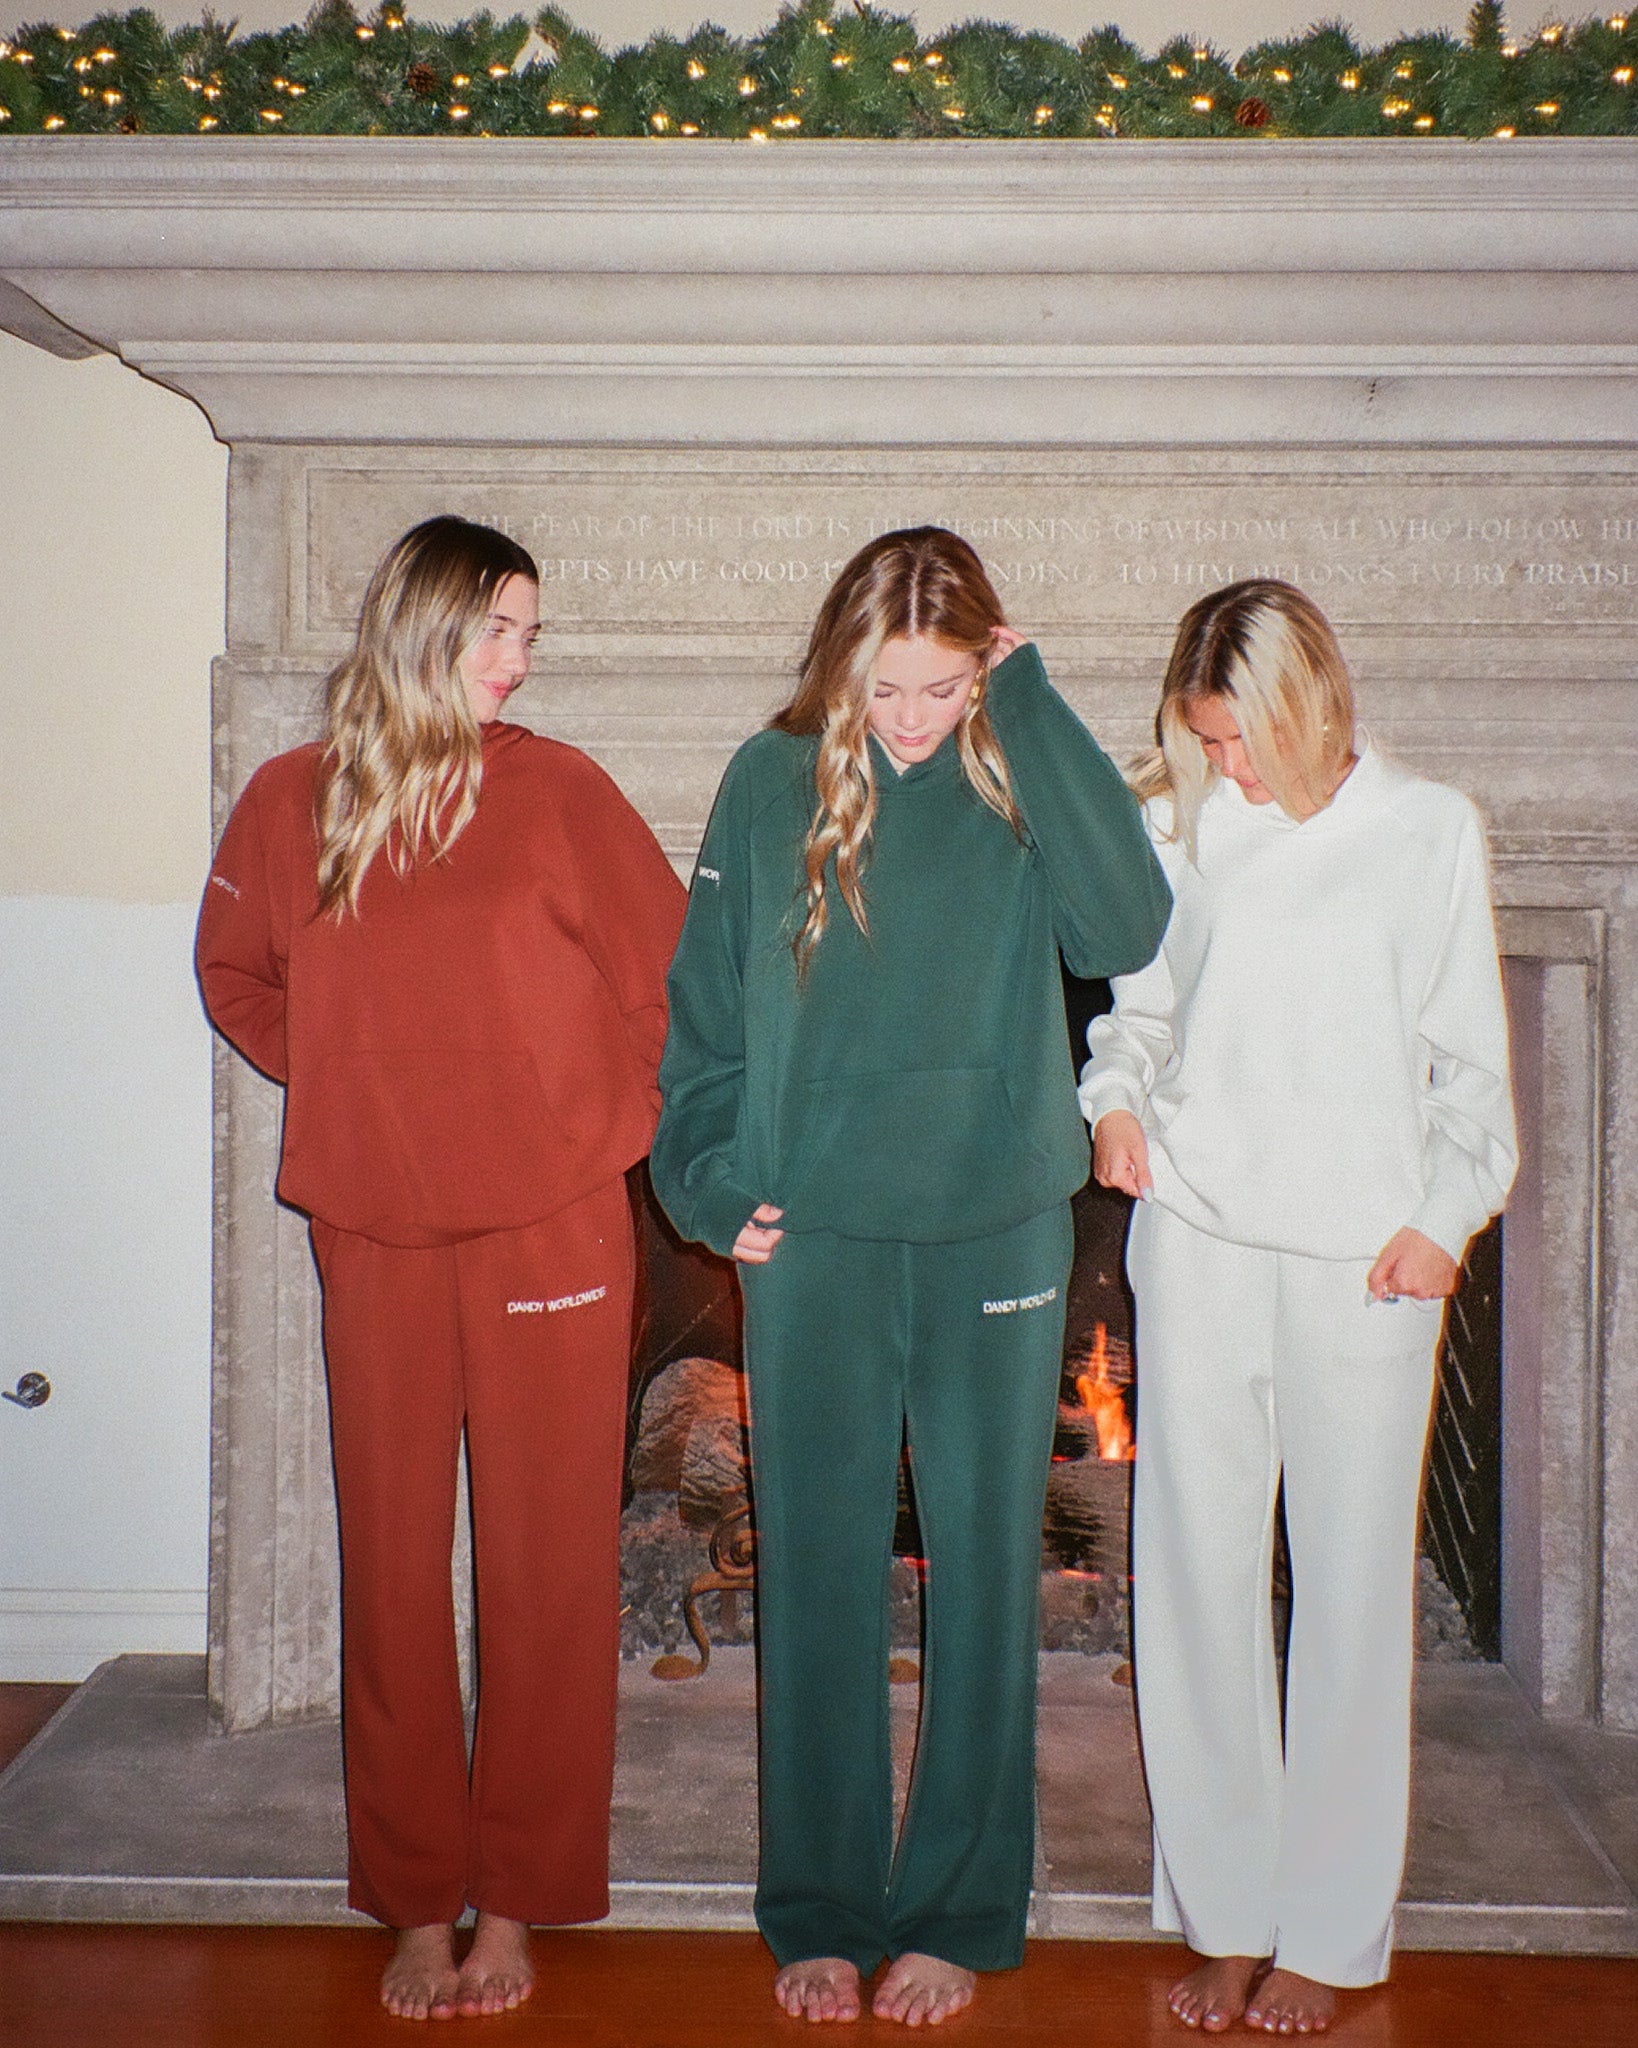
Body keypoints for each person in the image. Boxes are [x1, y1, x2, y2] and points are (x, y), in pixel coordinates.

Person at [651, 527, 1171, 2027]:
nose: (913, 717)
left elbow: (1129, 929)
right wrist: (703, 1180)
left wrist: (1036, 707)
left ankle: (957, 1907)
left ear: (982, 670)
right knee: (812, 1571)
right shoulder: (769, 783)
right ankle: (816, 1904)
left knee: (984, 1573)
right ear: (841, 664)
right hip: (808, 1238)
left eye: (944, 687)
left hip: (993, 1231)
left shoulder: (1017, 769)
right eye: (888, 687)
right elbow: (702, 1011)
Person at [196, 516, 686, 2021]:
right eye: (498, 632)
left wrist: (597, 1126)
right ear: (422, 628)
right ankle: (413, 1896)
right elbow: (234, 975)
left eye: (530, 635)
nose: (519, 662)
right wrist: (345, 1085)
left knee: (544, 1575)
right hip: (376, 1229)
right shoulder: (291, 802)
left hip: (553, 1229)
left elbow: (674, 988)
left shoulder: (561, 793)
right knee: (394, 1569)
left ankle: (522, 1897)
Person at [1079, 578, 1516, 2035]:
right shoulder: (1176, 823)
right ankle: (1224, 1914)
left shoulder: (1427, 833)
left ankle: (1327, 1934)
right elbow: (1130, 1025)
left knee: (1345, 1601)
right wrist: (1114, 1110)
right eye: (1204, 740)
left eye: (1245, 739)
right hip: (1194, 1243)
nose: (1228, 770)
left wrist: (1437, 1223)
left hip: (1364, 1267)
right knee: (1193, 1586)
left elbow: (1472, 1079)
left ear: (1311, 705)